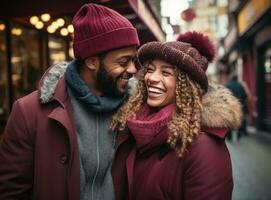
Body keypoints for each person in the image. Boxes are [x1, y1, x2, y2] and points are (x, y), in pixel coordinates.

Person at [0, 3, 139, 200]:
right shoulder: (28, 112)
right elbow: (11, 191)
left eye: (134, 60)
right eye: (123, 62)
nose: (133, 69)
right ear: (92, 62)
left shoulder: (137, 109)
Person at [110, 31, 242, 200]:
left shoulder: (204, 147)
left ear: (186, 86)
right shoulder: (133, 125)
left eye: (166, 73)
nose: (152, 78)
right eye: (150, 70)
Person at [226, 73, 248, 141]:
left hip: (231, 106)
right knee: (239, 119)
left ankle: (229, 136)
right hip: (239, 105)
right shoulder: (240, 86)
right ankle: (239, 135)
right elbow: (245, 95)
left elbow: (225, 95)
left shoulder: (228, 85)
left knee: (230, 121)